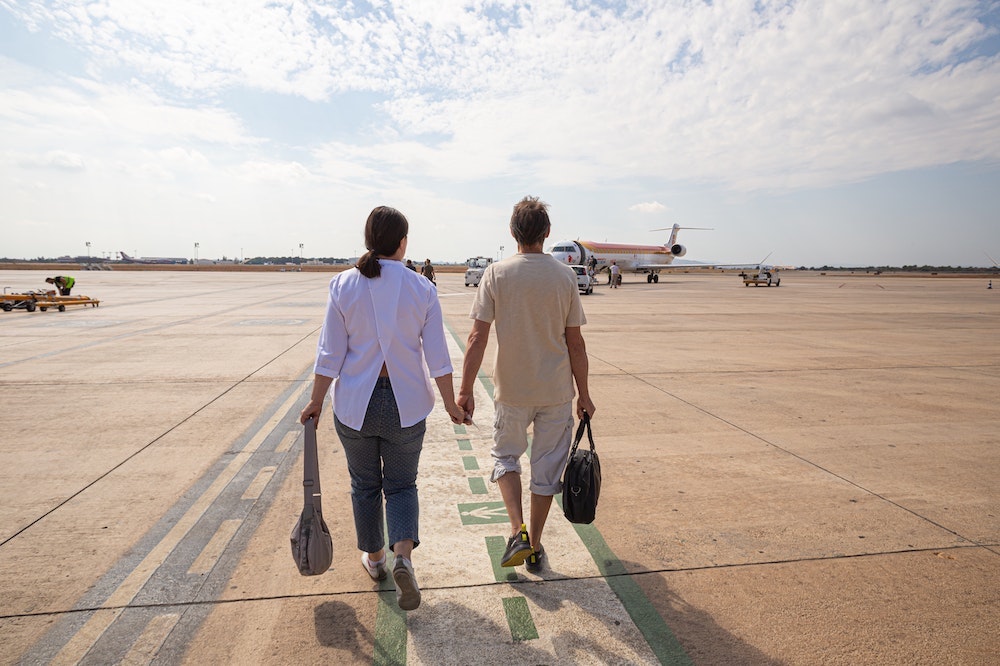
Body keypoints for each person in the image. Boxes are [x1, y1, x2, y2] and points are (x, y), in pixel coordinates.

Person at [299, 206, 468, 611]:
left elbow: (330, 352)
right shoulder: (422, 288)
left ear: (368, 239)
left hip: (356, 403)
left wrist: (316, 400)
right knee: (402, 485)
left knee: (365, 486)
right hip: (405, 404)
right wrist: (450, 403)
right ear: (403, 242)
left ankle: (375, 560)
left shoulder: (343, 285)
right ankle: (403, 557)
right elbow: (438, 357)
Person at [458, 196, 595, 574]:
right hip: (555, 392)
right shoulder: (565, 276)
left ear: (512, 232)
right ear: (547, 234)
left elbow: (477, 338)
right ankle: (533, 545)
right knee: (546, 471)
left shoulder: (496, 274)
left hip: (512, 391)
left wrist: (465, 390)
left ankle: (515, 529)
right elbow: (575, 343)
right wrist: (584, 394)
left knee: (506, 459)